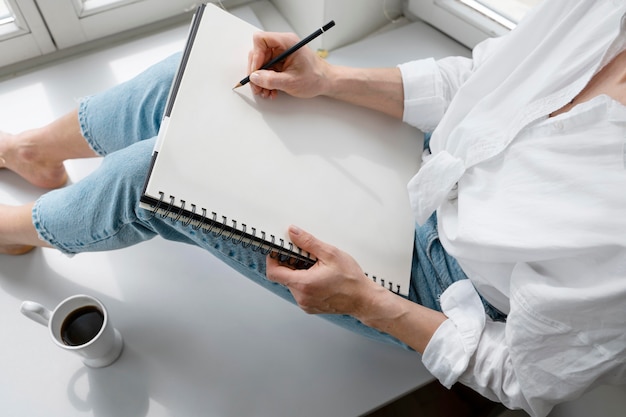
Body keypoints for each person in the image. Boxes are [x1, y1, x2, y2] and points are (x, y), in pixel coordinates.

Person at [1, 0, 625, 415]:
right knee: (210, 77)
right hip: (429, 160)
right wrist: (328, 79)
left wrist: (365, 302)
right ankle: (36, 151)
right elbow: (480, 83)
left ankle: (23, 230)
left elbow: (525, 377)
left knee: (155, 173)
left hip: (436, 281)